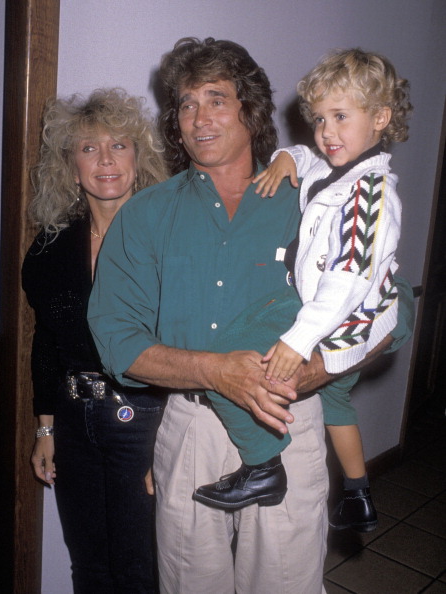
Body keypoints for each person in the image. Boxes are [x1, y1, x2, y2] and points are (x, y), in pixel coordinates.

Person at [88, 38, 414, 593]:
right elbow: (116, 340)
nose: (198, 117)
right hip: (191, 426)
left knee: (284, 583)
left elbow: (394, 303)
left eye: (216, 98)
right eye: (186, 104)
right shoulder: (147, 214)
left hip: (290, 418)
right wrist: (215, 372)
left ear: (251, 110)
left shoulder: (314, 195)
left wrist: (319, 368)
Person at [194, 48, 413, 535]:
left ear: (380, 118)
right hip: (322, 308)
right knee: (331, 400)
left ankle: (265, 467)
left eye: (341, 116)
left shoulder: (370, 194)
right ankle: (353, 493)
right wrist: (286, 158)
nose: (327, 132)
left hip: (343, 316)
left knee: (234, 356)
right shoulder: (337, 170)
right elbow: (306, 159)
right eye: (319, 119)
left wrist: (299, 339)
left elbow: (347, 280)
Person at [22, 88, 168, 594]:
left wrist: (170, 442)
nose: (105, 160)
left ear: (139, 156)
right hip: (73, 419)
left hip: (145, 418)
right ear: (71, 163)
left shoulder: (168, 238)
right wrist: (45, 429)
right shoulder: (51, 247)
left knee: (140, 563)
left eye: (119, 145)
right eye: (88, 148)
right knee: (87, 562)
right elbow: (46, 342)